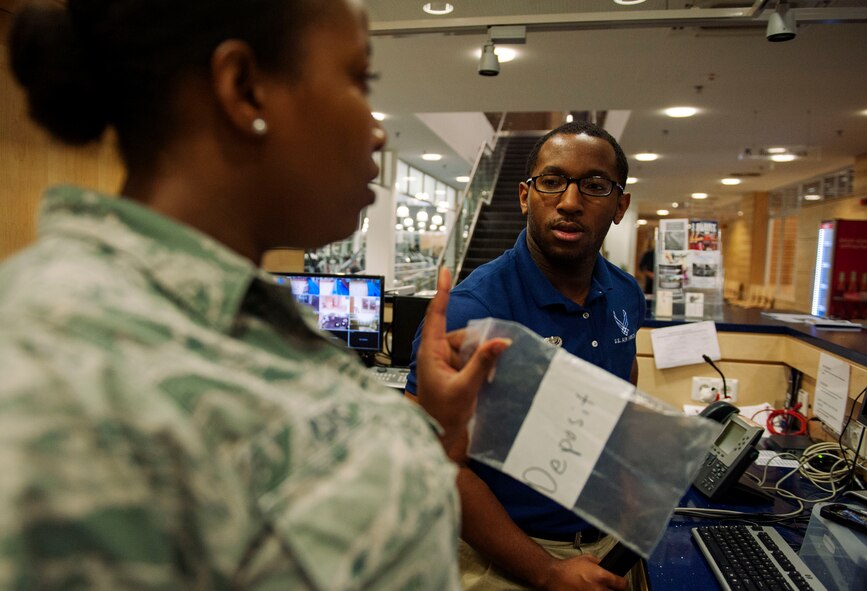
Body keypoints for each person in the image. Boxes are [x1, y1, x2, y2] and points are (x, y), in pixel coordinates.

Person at [0, 0, 509, 588]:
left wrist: (437, 426)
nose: (376, 130)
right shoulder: (56, 377)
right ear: (244, 89)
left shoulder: (242, 328)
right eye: (357, 80)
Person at [406, 121, 646, 590]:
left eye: (594, 186)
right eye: (552, 182)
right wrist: (548, 571)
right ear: (524, 196)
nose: (571, 202)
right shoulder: (472, 310)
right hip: (507, 557)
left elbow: (624, 381)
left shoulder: (624, 293)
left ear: (620, 206)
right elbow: (434, 463)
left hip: (610, 546)